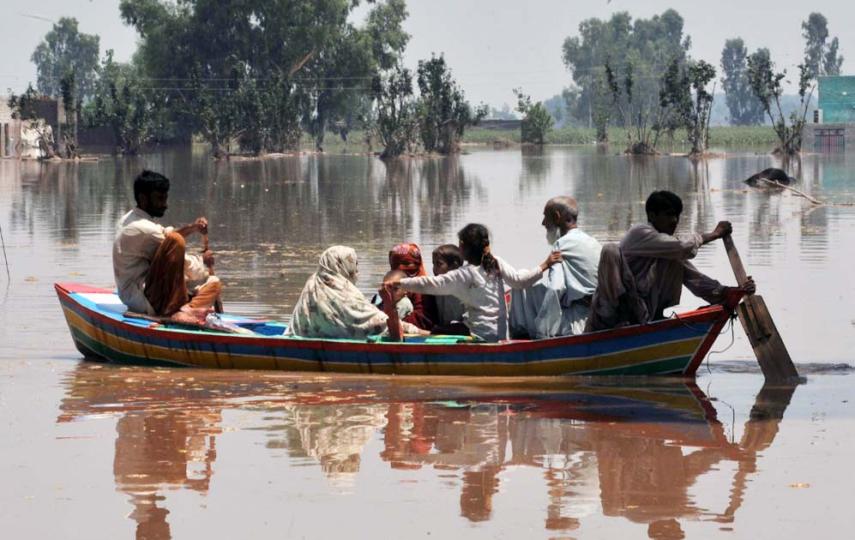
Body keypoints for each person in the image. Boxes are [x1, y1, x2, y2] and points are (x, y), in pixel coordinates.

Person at [586, 190, 755, 331]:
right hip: (609, 318)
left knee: (676, 259)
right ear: (652, 215)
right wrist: (715, 234)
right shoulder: (639, 233)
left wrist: (729, 292)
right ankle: (616, 322)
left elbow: (693, 277)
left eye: (676, 215)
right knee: (610, 250)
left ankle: (656, 317)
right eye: (668, 215)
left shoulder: (668, 248)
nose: (674, 220)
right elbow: (683, 247)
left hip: (640, 315)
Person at [384, 224, 562, 342]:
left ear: (463, 247)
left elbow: (430, 284)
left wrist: (401, 283)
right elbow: (520, 281)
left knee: (442, 331)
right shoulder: (496, 262)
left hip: (479, 337)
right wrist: (545, 264)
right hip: (501, 335)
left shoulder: (465, 274)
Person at [112, 170, 222, 323]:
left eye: (165, 198)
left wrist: (193, 228)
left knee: (214, 284)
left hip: (144, 293)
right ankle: (182, 311)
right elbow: (176, 251)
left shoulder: (131, 218)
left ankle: (187, 311)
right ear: (144, 199)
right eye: (160, 199)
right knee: (176, 242)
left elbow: (164, 235)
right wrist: (203, 262)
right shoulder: (142, 228)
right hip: (144, 300)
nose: (165, 204)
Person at [286, 245, 427, 339]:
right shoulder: (343, 292)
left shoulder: (312, 283)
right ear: (343, 266)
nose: (357, 271)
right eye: (355, 265)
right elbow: (378, 323)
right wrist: (420, 332)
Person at [510, 196, 602, 338]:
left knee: (519, 285)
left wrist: (542, 331)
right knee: (528, 281)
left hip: (577, 323)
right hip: (596, 315)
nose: (543, 223)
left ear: (556, 216)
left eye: (545, 218)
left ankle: (519, 337)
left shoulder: (561, 245)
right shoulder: (593, 241)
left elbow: (555, 288)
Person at [386, 243, 436, 330]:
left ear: (417, 263)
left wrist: (396, 323)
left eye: (406, 263)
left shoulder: (423, 288)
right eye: (395, 263)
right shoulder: (389, 283)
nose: (400, 267)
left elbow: (423, 319)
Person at [430, 244, 466, 331]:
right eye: (433, 264)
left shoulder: (465, 288)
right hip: (443, 331)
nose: (434, 269)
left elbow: (468, 322)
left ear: (454, 266)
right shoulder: (436, 287)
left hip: (462, 331)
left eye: (439, 264)